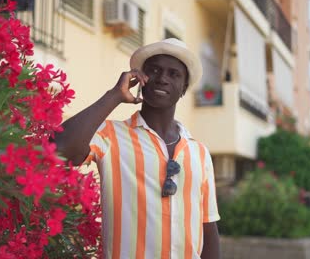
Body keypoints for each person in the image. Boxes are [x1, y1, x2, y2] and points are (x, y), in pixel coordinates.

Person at [54, 38, 220, 259]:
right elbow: (59, 150)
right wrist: (114, 95)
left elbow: (208, 228)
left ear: (184, 89)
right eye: (154, 70)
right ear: (141, 79)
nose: (162, 79)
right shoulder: (109, 135)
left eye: (174, 74)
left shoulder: (200, 153)